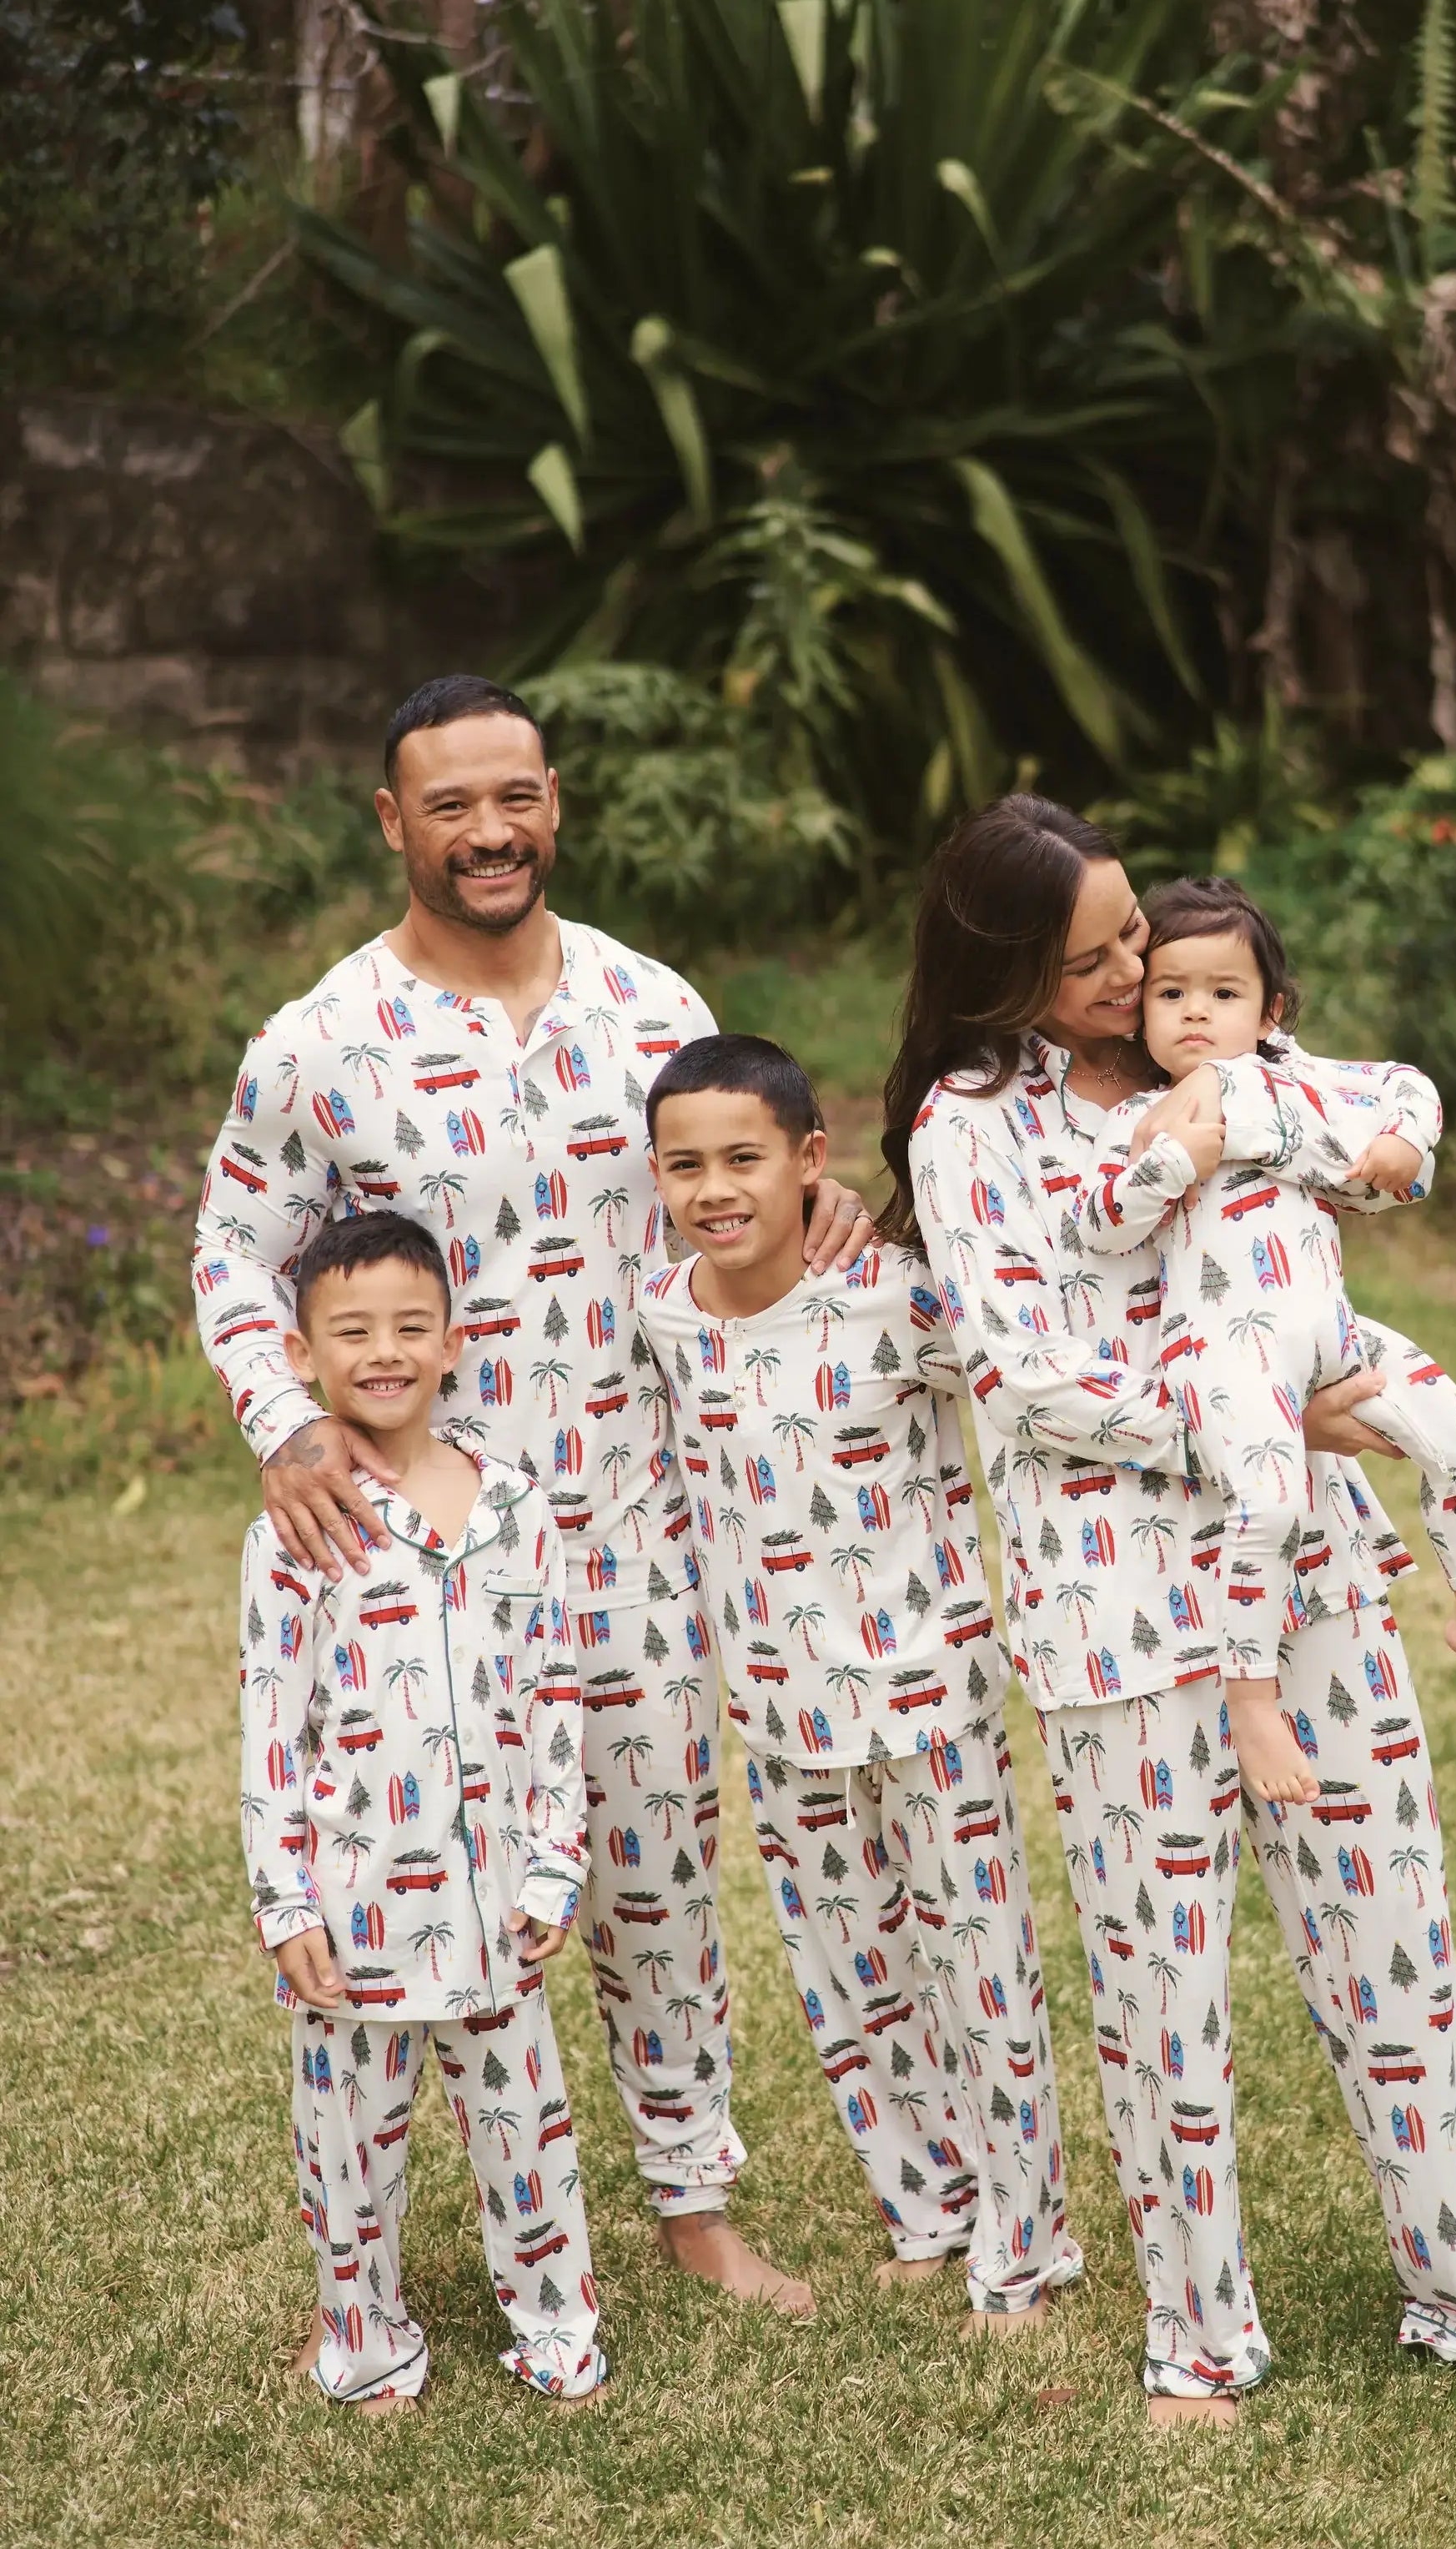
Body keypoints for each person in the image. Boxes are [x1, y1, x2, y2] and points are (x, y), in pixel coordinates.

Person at [197, 673, 874, 2320]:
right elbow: (235, 1247)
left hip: (638, 1531)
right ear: (392, 821)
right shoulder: (318, 1041)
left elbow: (727, 1181)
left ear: (554, 799)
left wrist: (813, 1203)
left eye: (516, 797)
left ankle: (692, 2198)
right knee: (404, 1870)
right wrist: (287, 1426)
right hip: (413, 1558)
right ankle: (364, 2230)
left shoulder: (651, 1004)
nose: (490, 831)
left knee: (651, 1876)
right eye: (450, 804)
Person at [881, 794, 1456, 2416]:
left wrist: (1272, 1136)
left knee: (1393, 1939)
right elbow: (1029, 1380)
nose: (1134, 964)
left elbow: (1398, 1158)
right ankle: (1198, 2335)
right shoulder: (972, 1127)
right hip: (1115, 1614)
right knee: (1157, 1992)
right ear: (1006, 970)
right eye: (1097, 949)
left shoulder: (1229, 1051)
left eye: (1134, 932)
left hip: (1309, 1570)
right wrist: (1253, 1413)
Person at [636, 1034, 1082, 2330]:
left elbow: (1033, 1380)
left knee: (975, 1959)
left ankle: (1025, 2240)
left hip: (930, 1692)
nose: (717, 1189)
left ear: (807, 1161)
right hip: (777, 1713)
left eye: (744, 1159)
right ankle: (928, 2206)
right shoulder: (663, 1319)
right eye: (686, 1167)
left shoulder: (898, 1297)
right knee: (852, 1975)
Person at [238, 1211, 603, 2410]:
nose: (384, 1351)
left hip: (497, 1899)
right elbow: (271, 1725)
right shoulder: (298, 1531)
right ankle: (364, 2337)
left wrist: (555, 1864)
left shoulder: (515, 1505)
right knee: (348, 2141)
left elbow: (555, 1688)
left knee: (526, 2130)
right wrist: (282, 1893)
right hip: (355, 1906)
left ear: (455, 1343)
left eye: (410, 1327)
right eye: (352, 1332)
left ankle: (558, 2331)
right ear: (302, 1354)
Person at [1073, 874, 1456, 1804]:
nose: (1194, 1014)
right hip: (1222, 1351)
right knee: (1269, 1504)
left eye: (1222, 993)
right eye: (1170, 993)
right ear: (1140, 1013)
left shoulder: (1308, 1079)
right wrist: (1173, 1163)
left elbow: (1406, 1087)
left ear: (1270, 1008)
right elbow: (1098, 1220)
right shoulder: (1139, 1117)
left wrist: (1407, 1143)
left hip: (1331, 1333)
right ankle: (1251, 1701)